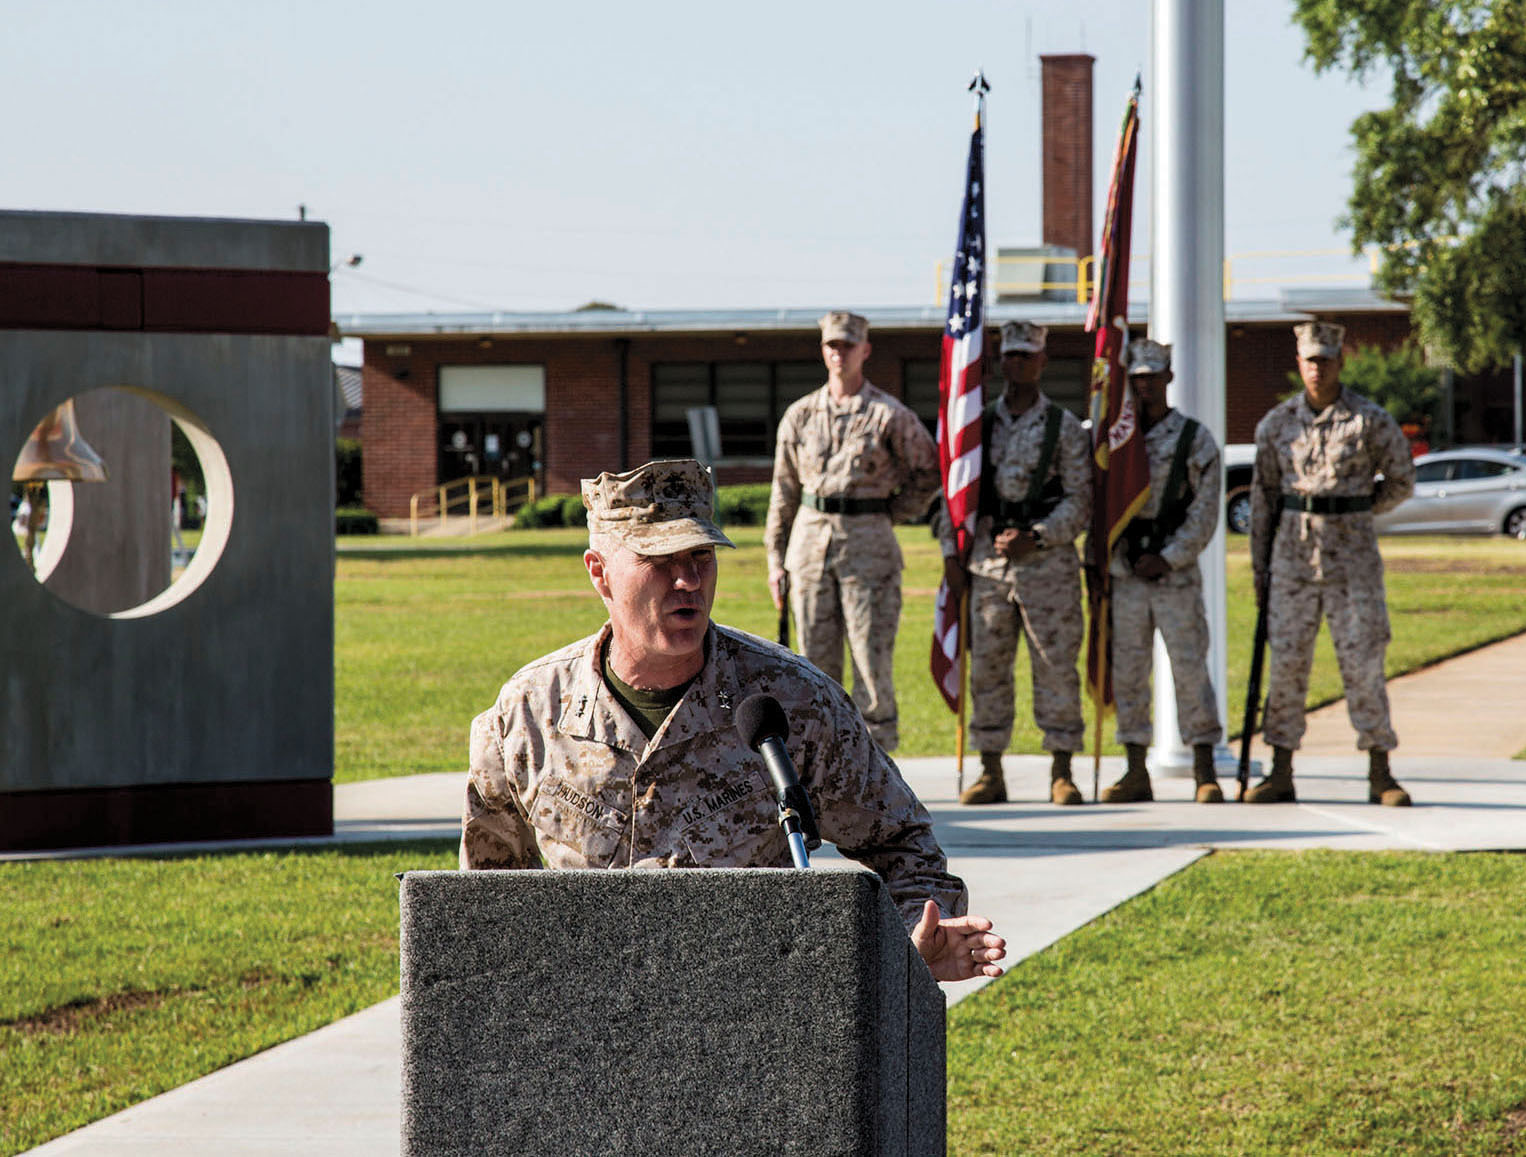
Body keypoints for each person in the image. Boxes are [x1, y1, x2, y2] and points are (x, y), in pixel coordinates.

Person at [461, 458, 1005, 982]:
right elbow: (480, 905)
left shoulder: (793, 703)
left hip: (750, 1026)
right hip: (584, 1028)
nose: (687, 581)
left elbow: (905, 845)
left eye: (701, 557)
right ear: (599, 573)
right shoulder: (528, 715)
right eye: (659, 561)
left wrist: (916, 936)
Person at [1246, 321, 1416, 805]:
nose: (1317, 369)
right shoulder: (1276, 424)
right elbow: (1264, 500)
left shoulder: (1369, 419)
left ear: (1340, 362)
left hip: (1353, 561)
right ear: (1298, 364)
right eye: (1309, 360)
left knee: (1363, 661)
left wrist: (1358, 508)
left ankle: (1380, 770)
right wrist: (1261, 568)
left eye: (1325, 360)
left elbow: (1402, 480)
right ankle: (1280, 769)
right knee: (1288, 666)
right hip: (1293, 561)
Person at [764, 311, 940, 752]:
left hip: (869, 549)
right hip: (808, 548)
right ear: (823, 350)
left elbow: (929, 472)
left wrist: (887, 514)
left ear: (865, 350)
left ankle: (876, 769)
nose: (838, 353)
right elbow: (783, 494)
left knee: (870, 662)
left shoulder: (889, 414)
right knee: (812, 666)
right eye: (831, 345)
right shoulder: (800, 415)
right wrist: (775, 560)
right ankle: (819, 766)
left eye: (847, 345)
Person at [946, 321, 1092, 806]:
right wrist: (955, 552)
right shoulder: (976, 426)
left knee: (1055, 668)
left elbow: (1080, 501)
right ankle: (990, 770)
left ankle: (1062, 770)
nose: (1017, 364)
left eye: (1026, 356)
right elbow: (955, 496)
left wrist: (1038, 536)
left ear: (1043, 362)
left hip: (1047, 566)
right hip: (989, 567)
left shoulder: (1064, 427)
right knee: (987, 669)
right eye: (1009, 356)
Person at [1098, 338, 1225, 805]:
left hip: (1174, 572)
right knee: (1129, 671)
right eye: (1137, 378)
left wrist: (1169, 556)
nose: (1145, 385)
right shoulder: (1117, 438)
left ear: (1169, 377)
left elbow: (1206, 511)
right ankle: (1135, 769)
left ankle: (1205, 770)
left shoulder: (1195, 439)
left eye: (1153, 376)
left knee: (1190, 667)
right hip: (1127, 570)